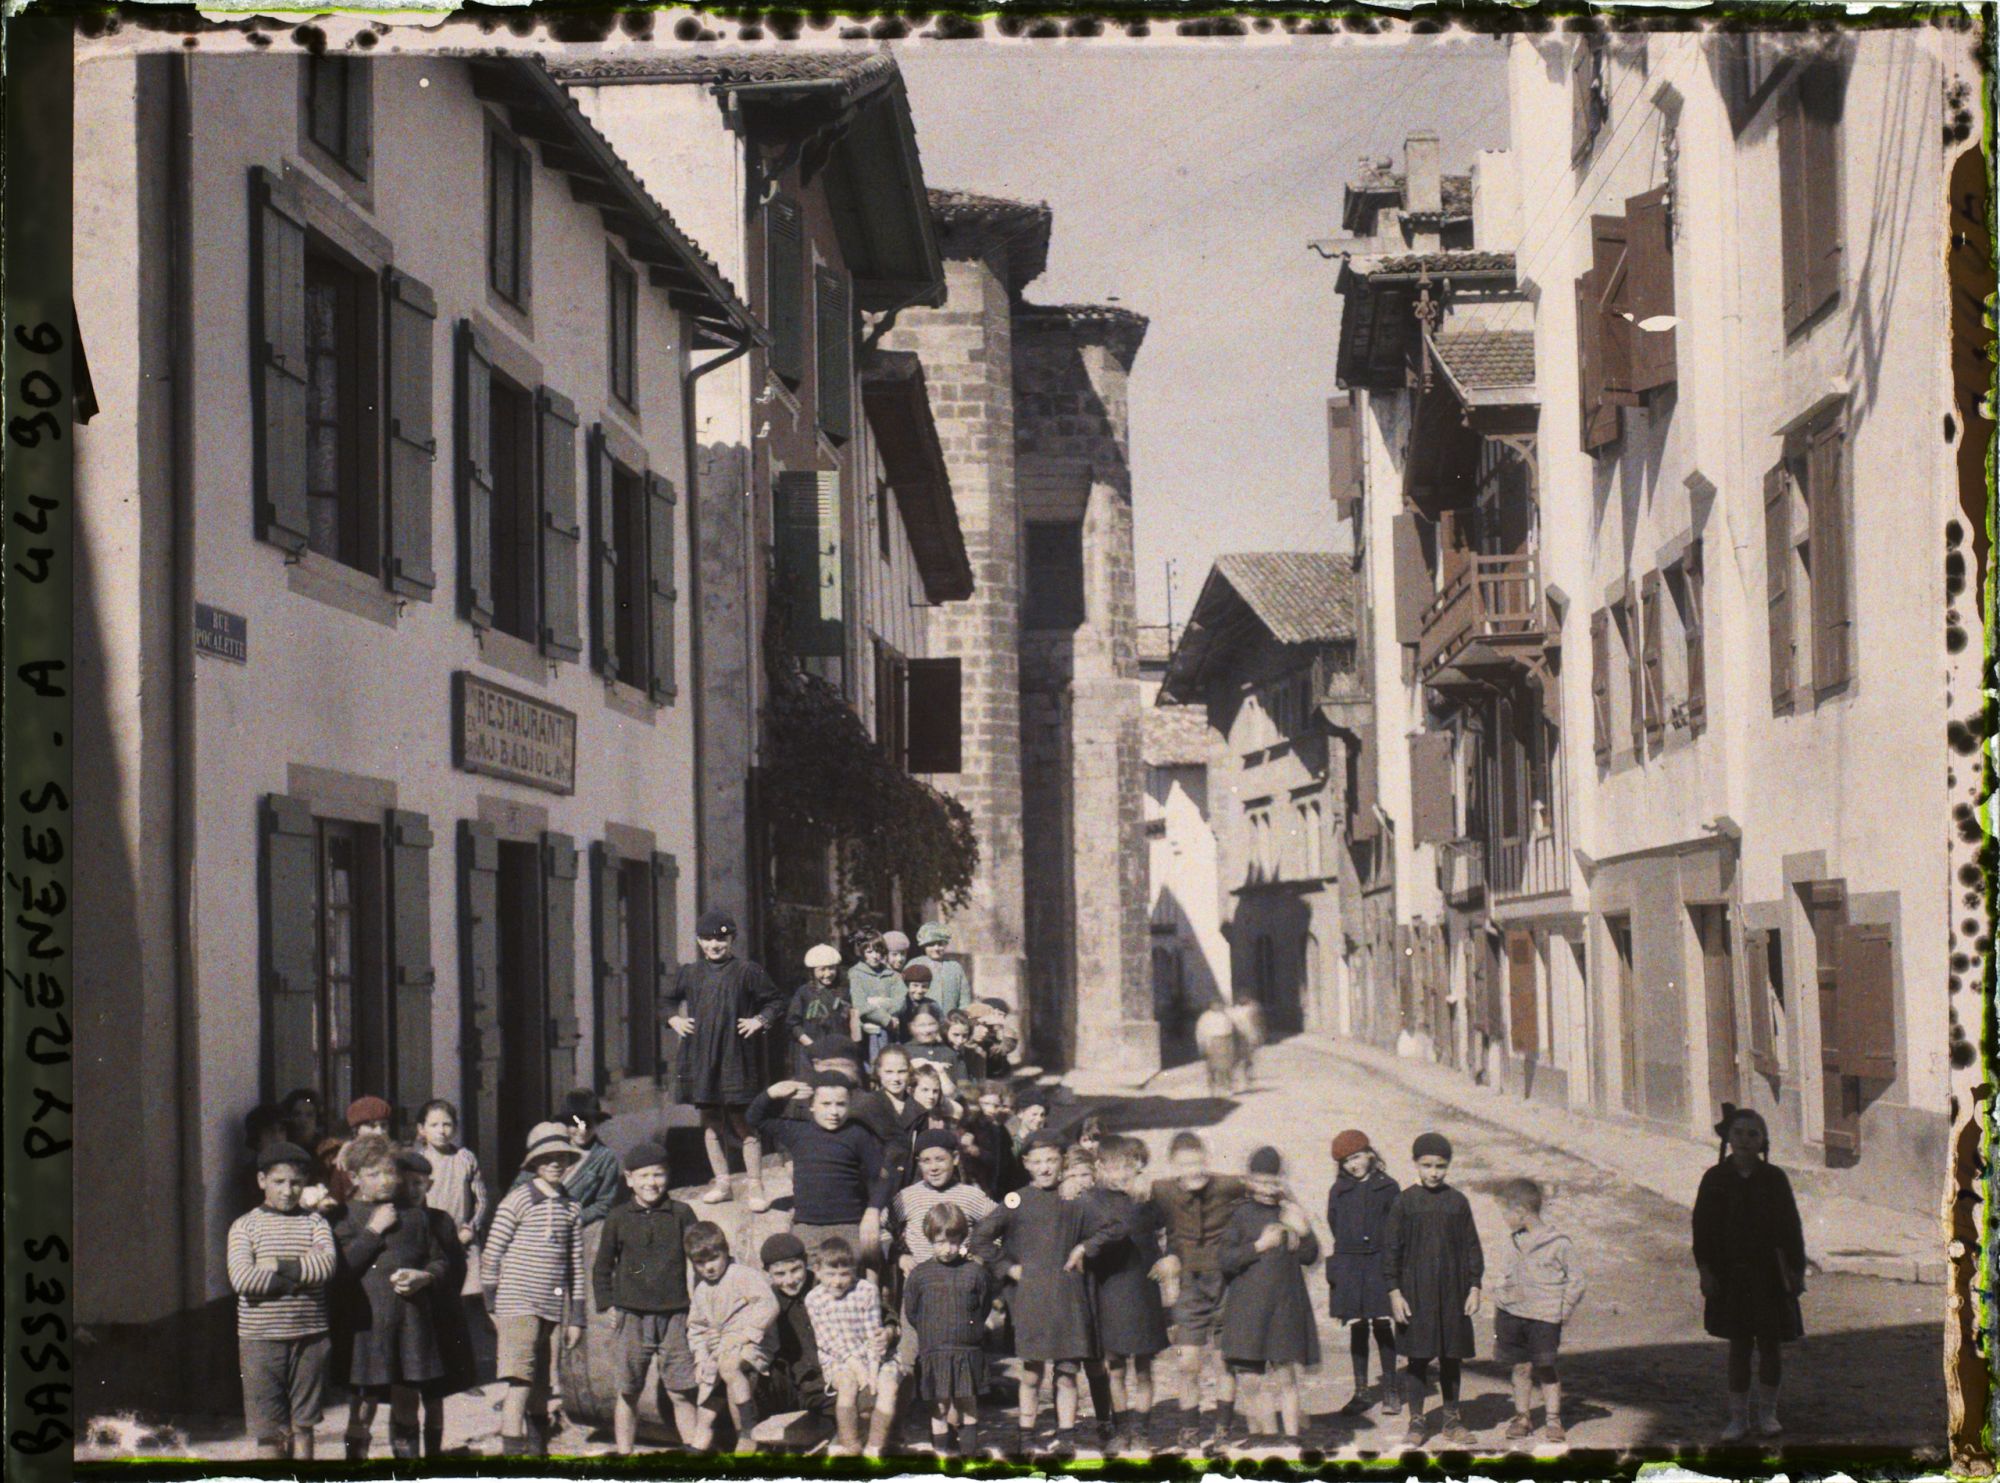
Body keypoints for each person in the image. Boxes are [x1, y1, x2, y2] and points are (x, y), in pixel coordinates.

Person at [970, 1130, 1113, 1456]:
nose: (1046, 1168)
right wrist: (1009, 1268)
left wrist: (1083, 1247)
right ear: (1026, 1164)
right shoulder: (1015, 1199)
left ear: (1062, 1161)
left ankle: (1066, 1436)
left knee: (1066, 1374)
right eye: (1038, 1162)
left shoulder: (1074, 1198)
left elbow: (1111, 1227)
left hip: (1068, 1298)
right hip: (1031, 1299)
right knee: (1031, 1374)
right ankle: (1026, 1434)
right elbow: (980, 1238)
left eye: (1051, 1160)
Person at [1692, 1104, 1806, 1442]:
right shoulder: (1715, 1179)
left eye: (1752, 1134)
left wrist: (1796, 1271)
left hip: (1769, 1276)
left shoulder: (1774, 1179)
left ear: (1763, 1142)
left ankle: (1768, 1415)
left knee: (1770, 1345)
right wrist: (1705, 1270)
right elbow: (1702, 1229)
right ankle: (1738, 1419)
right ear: (1728, 1138)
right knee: (1739, 1346)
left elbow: (1791, 1228)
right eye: (1738, 1133)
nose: (1744, 1140)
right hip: (1731, 1276)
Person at [331, 1139, 448, 1460]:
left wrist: (423, 1276)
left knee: (407, 1403)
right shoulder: (344, 1216)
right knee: (363, 1406)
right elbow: (343, 1270)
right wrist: (373, 1230)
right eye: (373, 1174)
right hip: (368, 1330)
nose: (384, 1181)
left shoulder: (414, 1216)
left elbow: (439, 1261)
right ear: (354, 1177)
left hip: (410, 1325)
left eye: (389, 1173)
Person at [663, 909, 784, 1210]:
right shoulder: (689, 972)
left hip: (735, 1057)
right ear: (698, 941)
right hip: (701, 1058)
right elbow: (664, 1000)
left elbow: (776, 1001)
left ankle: (756, 1187)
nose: (714, 944)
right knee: (710, 1123)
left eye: (721, 938)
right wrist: (672, 1020)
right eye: (707, 939)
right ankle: (723, 1183)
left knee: (743, 1122)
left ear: (731, 939)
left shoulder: (747, 971)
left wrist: (759, 1020)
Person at [480, 1122, 587, 1457]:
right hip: (517, 1304)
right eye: (547, 1157)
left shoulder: (572, 1207)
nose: (555, 1163)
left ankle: (539, 1458)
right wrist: (491, 1303)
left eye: (561, 1157)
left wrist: (577, 1318)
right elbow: (492, 1252)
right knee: (519, 1384)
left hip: (550, 1311)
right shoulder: (518, 1200)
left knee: (541, 1385)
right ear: (534, 1163)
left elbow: (575, 1264)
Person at [228, 1140, 337, 1460]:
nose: (288, 1191)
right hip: (261, 1340)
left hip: (310, 1338)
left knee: (304, 1425)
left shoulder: (315, 1222)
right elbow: (243, 1279)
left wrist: (276, 1266)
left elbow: (326, 1266)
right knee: (269, 1431)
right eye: (279, 1182)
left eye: (296, 1183)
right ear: (262, 1181)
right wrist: (301, 1277)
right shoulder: (245, 1226)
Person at [591, 1141, 702, 1455]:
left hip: (676, 1316)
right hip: (631, 1317)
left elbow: (701, 1255)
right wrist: (609, 1304)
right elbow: (602, 1266)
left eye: (658, 1175)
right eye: (643, 1176)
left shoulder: (682, 1213)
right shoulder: (617, 1217)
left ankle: (692, 1454)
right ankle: (625, 1455)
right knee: (628, 1392)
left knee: (682, 1391)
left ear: (668, 1177)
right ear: (629, 1179)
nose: (651, 1183)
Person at [1383, 1132, 1483, 1449]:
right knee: (1418, 1356)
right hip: (1416, 1293)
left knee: (1451, 1355)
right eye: (1427, 1165)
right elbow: (1391, 1252)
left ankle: (1452, 1419)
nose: (1434, 1172)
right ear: (1415, 1164)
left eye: (1441, 1165)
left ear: (1448, 1165)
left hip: (1453, 1292)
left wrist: (1475, 1285)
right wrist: (1394, 1292)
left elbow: (1471, 1247)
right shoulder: (1404, 1202)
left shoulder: (1457, 1202)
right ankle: (1417, 1420)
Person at [1217, 1147, 1320, 1451]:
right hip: (1248, 1308)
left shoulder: (1288, 1211)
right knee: (1249, 1378)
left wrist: (1303, 1230)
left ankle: (1290, 1437)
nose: (1267, 1189)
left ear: (1281, 1182)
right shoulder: (1239, 1214)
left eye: (1273, 1183)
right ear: (1248, 1181)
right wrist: (1259, 1245)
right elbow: (1225, 1259)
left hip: (1283, 1307)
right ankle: (1263, 1433)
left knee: (1285, 1375)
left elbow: (1310, 1255)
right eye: (1260, 1182)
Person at [1151, 1130, 1248, 1450]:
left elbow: (1264, 1183)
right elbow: (1138, 1220)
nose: (1193, 1171)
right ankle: (1190, 1429)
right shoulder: (1162, 1191)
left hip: (1225, 1283)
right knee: (1188, 1362)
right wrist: (1165, 1257)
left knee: (1224, 1361)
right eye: (1185, 1165)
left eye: (1198, 1163)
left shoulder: (1226, 1185)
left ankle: (1223, 1428)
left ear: (1206, 1161)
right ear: (1173, 1166)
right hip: (1190, 1286)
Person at [1083, 1135, 1172, 1452]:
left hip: (1143, 1289)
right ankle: (1122, 1431)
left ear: (1137, 1167)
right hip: (1111, 1290)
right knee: (1115, 1368)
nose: (1121, 1174)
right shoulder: (1092, 1200)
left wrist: (1169, 1256)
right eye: (1115, 1167)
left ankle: (1143, 1434)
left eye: (1128, 1167)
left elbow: (1170, 1230)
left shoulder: (1146, 1199)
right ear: (1101, 1167)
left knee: (1145, 1367)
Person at [886, 1130, 997, 1380]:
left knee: (955, 1352)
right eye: (926, 1161)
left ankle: (957, 1410)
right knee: (909, 1353)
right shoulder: (907, 1196)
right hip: (920, 1288)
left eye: (940, 1159)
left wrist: (977, 1257)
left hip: (958, 1290)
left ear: (955, 1158)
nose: (933, 1167)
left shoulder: (971, 1195)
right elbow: (883, 1227)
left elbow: (999, 1225)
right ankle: (907, 1411)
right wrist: (899, 1257)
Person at [746, 1074, 889, 1261]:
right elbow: (754, 1118)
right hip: (807, 1226)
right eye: (826, 1104)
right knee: (808, 1279)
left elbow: (880, 1177)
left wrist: (873, 1210)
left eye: (841, 1104)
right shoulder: (798, 1132)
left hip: (849, 1225)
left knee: (848, 1279)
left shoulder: (858, 1134)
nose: (834, 1112)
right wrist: (772, 1092)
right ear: (812, 1105)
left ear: (850, 1105)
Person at [1492, 1176, 1585, 1447]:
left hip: (1544, 1318)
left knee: (1545, 1368)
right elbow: (1506, 1274)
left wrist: (1561, 1311)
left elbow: (1577, 1280)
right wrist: (1501, 1297)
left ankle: (1553, 1419)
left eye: (1506, 1213)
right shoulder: (1514, 1241)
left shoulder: (1559, 1243)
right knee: (1520, 1368)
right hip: (1513, 1315)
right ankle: (1522, 1418)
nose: (1504, 1220)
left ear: (1520, 1211)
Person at [398, 1151, 477, 1459]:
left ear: (429, 1184)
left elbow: (457, 1266)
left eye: (418, 1183)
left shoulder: (441, 1220)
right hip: (405, 1317)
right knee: (404, 1392)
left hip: (438, 1315)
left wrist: (439, 1292)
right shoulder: (394, 1220)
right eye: (406, 1184)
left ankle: (433, 1454)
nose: (413, 1190)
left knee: (434, 1393)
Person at [904, 1203, 995, 1458]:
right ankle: (943, 1456)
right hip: (936, 1352)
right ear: (930, 1239)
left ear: (962, 1239)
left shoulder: (975, 1272)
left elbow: (983, 1306)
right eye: (940, 1242)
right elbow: (913, 1313)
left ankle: (968, 1457)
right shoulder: (920, 1275)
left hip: (967, 1351)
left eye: (953, 1242)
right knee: (940, 1406)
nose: (947, 1249)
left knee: (968, 1403)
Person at [1326, 1128, 1401, 1418]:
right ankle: (1361, 1391)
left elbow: (1397, 1226)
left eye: (1357, 1157)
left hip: (1380, 1262)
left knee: (1382, 1323)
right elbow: (1335, 1222)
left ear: (1370, 1153)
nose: (1353, 1165)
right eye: (1346, 1161)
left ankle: (1391, 1390)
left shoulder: (1389, 1187)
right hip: (1351, 1262)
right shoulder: (1339, 1191)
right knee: (1358, 1325)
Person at [685, 1220, 779, 1452]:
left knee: (728, 1366)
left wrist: (745, 1335)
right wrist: (700, 1356)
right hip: (720, 1349)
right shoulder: (701, 1290)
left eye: (713, 1258)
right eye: (700, 1262)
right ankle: (698, 1448)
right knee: (705, 1407)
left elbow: (768, 1305)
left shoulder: (743, 1275)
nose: (708, 1267)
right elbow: (695, 1327)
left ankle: (747, 1431)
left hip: (753, 1344)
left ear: (726, 1251)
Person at [803, 1236, 899, 1456]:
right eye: (830, 1274)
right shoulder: (814, 1299)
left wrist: (872, 1373)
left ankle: (874, 1447)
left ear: (854, 1271)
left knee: (886, 1388)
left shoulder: (866, 1291)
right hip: (837, 1358)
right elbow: (827, 1339)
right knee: (847, 1384)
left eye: (844, 1274)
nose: (837, 1282)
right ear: (817, 1271)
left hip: (872, 1356)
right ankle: (850, 1444)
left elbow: (874, 1332)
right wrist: (856, 1367)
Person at [511, 1089, 623, 1226]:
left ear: (597, 1123)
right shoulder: (548, 1147)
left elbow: (605, 1204)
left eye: (588, 1124)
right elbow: (518, 1187)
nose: (582, 1131)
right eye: (575, 1124)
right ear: (565, 1123)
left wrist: (574, 1218)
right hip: (534, 1223)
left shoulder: (604, 1158)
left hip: (572, 1227)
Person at [757, 1233, 829, 1424]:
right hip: (793, 1387)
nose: (789, 1280)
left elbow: (872, 1306)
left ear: (806, 1262)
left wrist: (888, 1329)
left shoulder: (827, 1284)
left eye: (795, 1270)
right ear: (768, 1273)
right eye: (780, 1274)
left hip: (829, 1380)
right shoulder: (767, 1299)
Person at [415, 1100, 488, 1266]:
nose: (441, 1131)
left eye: (447, 1124)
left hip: (462, 1238)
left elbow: (481, 1200)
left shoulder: (464, 1158)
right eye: (434, 1125)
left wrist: (471, 1227)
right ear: (422, 1129)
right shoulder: (418, 1161)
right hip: (430, 1240)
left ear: (455, 1127)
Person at [788, 945, 859, 1078]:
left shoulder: (844, 992)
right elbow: (793, 1024)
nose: (827, 974)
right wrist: (811, 1045)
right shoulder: (804, 992)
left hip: (838, 1052)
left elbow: (852, 1021)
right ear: (812, 971)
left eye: (831, 968)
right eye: (822, 969)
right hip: (811, 1052)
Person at [848, 933, 907, 1065]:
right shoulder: (855, 974)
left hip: (892, 1030)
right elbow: (860, 1005)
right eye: (869, 952)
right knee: (872, 1065)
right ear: (862, 952)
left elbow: (900, 1001)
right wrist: (886, 1018)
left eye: (879, 952)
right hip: (867, 1035)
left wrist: (876, 1003)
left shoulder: (893, 975)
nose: (875, 956)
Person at [904, 1002, 966, 1092]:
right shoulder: (902, 1052)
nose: (927, 1030)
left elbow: (964, 1090)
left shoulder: (950, 1053)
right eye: (922, 1025)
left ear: (939, 1025)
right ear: (911, 1027)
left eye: (932, 1024)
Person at [914, 923, 971, 1019]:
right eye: (931, 944)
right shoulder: (915, 965)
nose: (936, 948)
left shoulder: (955, 967)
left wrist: (960, 1017)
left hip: (950, 1022)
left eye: (940, 944)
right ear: (924, 946)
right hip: (924, 1021)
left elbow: (964, 998)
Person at [945, 1012, 988, 1085]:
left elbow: (979, 1082)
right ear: (945, 1032)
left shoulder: (974, 1054)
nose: (960, 1041)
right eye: (956, 1035)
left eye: (964, 1036)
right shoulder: (939, 1053)